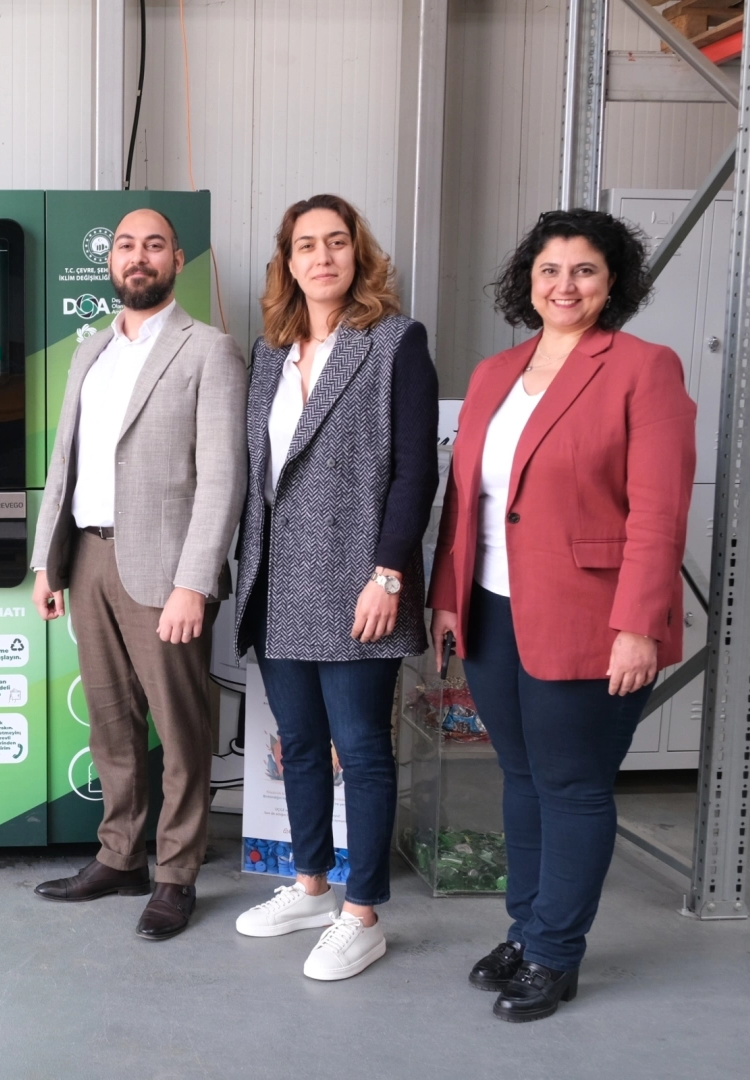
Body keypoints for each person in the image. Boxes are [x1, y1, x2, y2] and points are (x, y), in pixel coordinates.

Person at [429, 208, 695, 1021]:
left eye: (584, 270)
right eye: (550, 269)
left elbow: (659, 511)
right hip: (492, 608)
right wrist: (447, 598)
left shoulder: (643, 369)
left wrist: (638, 625)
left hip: (592, 616)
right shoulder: (494, 373)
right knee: (519, 778)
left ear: (613, 283)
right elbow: (465, 501)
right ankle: (526, 929)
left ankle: (555, 953)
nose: (565, 285)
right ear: (529, 280)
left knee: (572, 785)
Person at [230, 194, 439, 980]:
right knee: (299, 744)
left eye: (337, 242)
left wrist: (389, 573)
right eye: (306, 245)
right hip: (278, 581)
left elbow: (416, 471)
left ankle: (363, 914)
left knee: (362, 749)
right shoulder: (270, 354)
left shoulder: (394, 343)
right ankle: (312, 885)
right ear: (287, 262)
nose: (322, 257)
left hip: (359, 582)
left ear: (359, 254)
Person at [30, 208, 247, 941]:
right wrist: (47, 560)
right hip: (89, 558)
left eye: (154, 245)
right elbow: (65, 463)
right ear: (112, 261)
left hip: (166, 570)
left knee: (181, 730)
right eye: (126, 245)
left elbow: (223, 476)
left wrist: (195, 581)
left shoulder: (209, 350)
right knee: (111, 721)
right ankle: (120, 856)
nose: (139, 256)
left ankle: (176, 874)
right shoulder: (90, 352)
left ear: (176, 260)